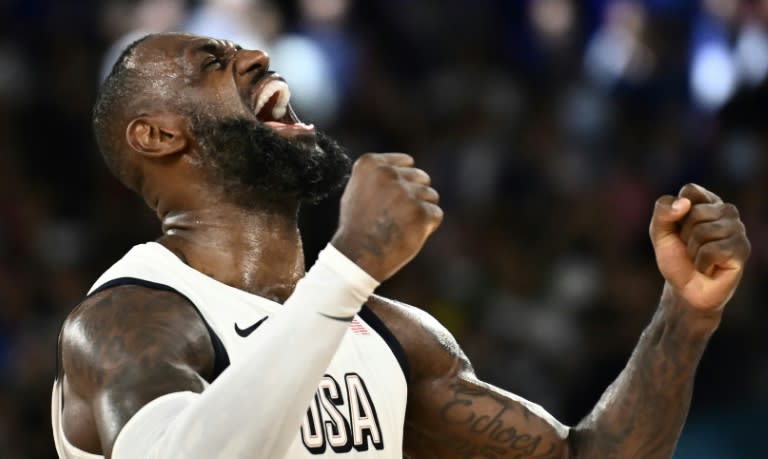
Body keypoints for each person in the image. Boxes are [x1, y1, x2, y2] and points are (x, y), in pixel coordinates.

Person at [51, 32, 750, 459]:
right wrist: (348, 267)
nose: (257, 55)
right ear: (158, 136)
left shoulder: (386, 335)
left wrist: (685, 315)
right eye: (213, 62)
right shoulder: (126, 322)